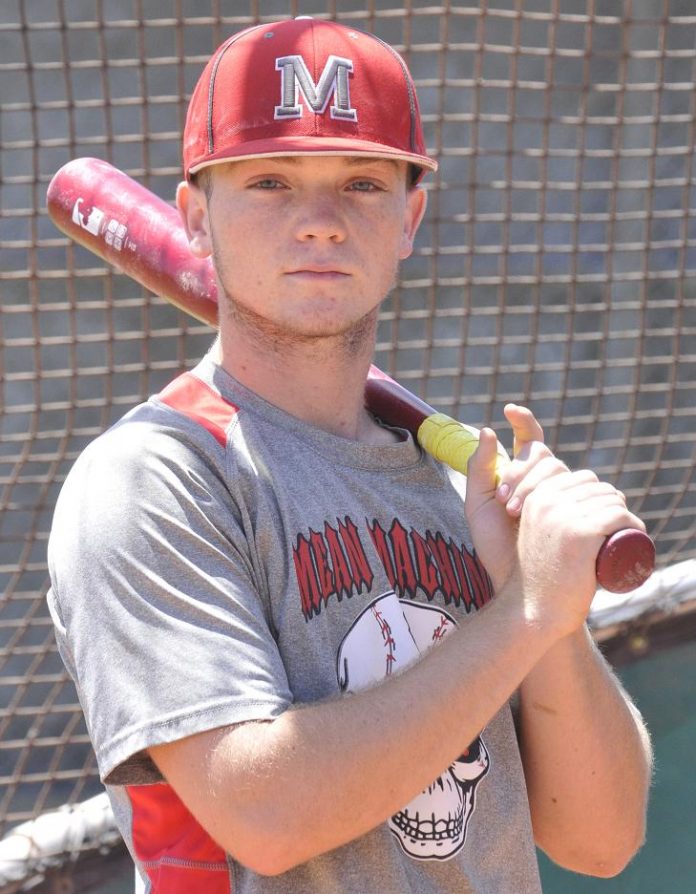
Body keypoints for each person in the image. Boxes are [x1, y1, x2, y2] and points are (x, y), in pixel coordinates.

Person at [47, 17, 652, 894]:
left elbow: (601, 839)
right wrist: (521, 615)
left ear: (409, 217)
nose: (321, 221)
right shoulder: (158, 479)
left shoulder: (458, 489)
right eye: (269, 181)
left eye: (361, 182)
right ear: (194, 217)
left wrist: (550, 614)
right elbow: (270, 813)